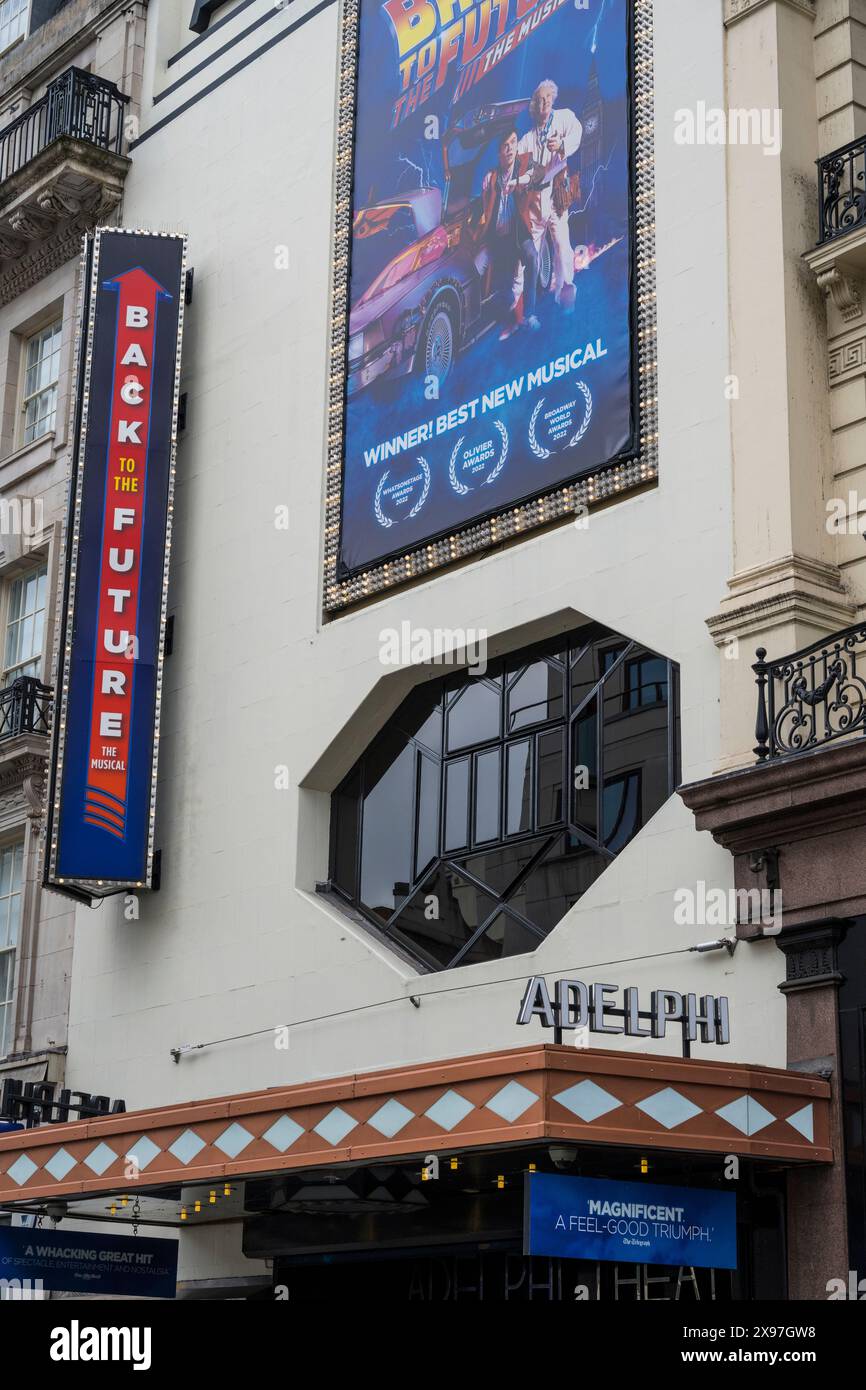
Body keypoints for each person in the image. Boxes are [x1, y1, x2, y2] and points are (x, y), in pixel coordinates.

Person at [514, 79, 582, 309]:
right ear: (534, 105)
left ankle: (565, 292)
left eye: (547, 98)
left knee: (562, 245)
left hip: (557, 197)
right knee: (530, 255)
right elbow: (514, 159)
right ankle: (521, 306)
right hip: (535, 203)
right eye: (539, 100)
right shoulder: (529, 137)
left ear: (553, 98)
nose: (543, 103)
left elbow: (578, 133)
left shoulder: (564, 117)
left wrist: (561, 145)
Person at [473, 129, 540, 340]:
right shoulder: (492, 177)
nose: (510, 148)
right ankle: (481, 318)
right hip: (497, 239)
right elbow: (484, 205)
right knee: (478, 267)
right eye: (505, 145)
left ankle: (529, 314)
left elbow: (539, 172)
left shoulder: (524, 164)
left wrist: (519, 182)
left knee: (533, 258)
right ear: (499, 152)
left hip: (519, 234)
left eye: (513, 142)